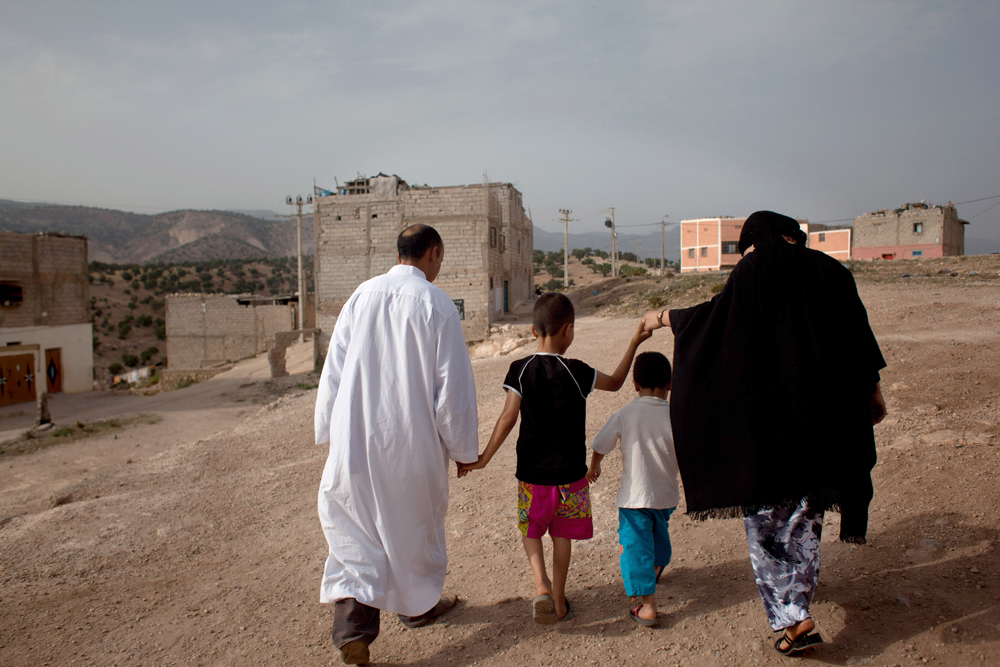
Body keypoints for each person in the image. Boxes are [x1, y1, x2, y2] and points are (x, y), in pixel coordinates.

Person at [642, 211, 887, 655]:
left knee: (769, 523)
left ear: (755, 241)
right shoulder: (833, 271)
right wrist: (872, 394)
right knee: (805, 518)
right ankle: (799, 607)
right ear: (795, 236)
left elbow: (715, 321)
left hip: (766, 434)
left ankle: (794, 617)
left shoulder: (753, 270)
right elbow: (858, 341)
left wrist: (662, 317)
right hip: (823, 426)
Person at [315, 224, 479, 666]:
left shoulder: (361, 295)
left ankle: (353, 631)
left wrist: (328, 427)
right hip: (410, 442)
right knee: (414, 527)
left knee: (357, 530)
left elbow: (335, 368)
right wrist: (465, 450)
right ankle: (419, 607)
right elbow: (453, 390)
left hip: (355, 440)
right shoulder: (437, 304)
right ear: (434, 253)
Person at [458, 292, 651, 624]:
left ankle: (540, 584)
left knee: (531, 530)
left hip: (532, 476)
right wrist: (634, 341)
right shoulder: (578, 371)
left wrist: (483, 458)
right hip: (571, 477)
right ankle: (559, 601)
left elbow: (507, 418)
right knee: (562, 536)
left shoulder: (520, 369)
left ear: (534, 331)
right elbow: (618, 383)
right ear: (569, 330)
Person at [586, 351, 678, 627]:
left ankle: (646, 605)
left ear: (635, 384)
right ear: (670, 384)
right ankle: (657, 566)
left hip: (635, 497)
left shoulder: (626, 413)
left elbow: (602, 443)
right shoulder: (676, 414)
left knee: (636, 544)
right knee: (658, 530)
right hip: (666, 495)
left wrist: (594, 466)